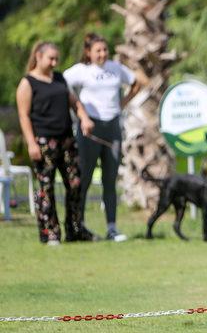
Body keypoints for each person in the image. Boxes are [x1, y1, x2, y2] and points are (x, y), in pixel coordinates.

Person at [64, 33, 145, 242]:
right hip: (90, 128)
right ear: (88, 52)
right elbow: (60, 85)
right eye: (97, 50)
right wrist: (79, 109)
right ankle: (78, 224)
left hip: (113, 128)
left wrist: (123, 102)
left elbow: (136, 82)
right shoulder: (81, 71)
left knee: (110, 178)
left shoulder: (115, 69)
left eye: (104, 50)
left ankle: (112, 228)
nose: (102, 54)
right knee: (85, 177)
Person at [15, 41, 95, 245]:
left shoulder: (59, 79)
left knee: (75, 184)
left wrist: (84, 117)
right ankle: (50, 232)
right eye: (51, 58)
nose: (54, 62)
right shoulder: (28, 83)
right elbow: (23, 116)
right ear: (38, 57)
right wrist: (31, 143)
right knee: (46, 187)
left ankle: (75, 229)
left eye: (56, 58)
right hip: (43, 141)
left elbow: (74, 102)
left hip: (67, 139)